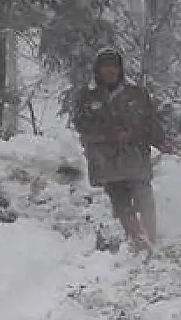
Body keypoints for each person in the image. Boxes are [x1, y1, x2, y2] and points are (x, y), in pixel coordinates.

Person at [71, 47, 174, 253]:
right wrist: (110, 134)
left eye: (114, 66)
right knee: (120, 200)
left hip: (135, 154)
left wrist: (162, 141)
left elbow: (150, 122)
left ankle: (150, 236)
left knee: (144, 194)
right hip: (105, 160)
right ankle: (136, 237)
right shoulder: (88, 97)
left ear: (120, 69)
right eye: (105, 67)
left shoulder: (136, 94)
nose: (110, 71)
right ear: (98, 70)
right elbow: (83, 127)